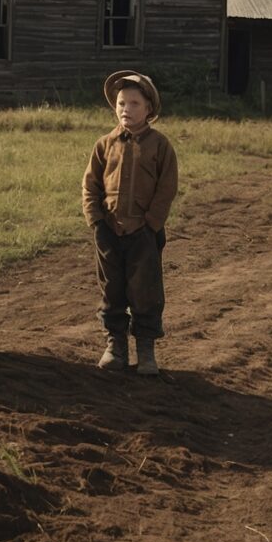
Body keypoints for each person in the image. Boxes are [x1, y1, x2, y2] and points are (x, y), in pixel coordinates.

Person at [81, 70, 178, 377]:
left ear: (149, 108)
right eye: (121, 103)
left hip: (143, 234)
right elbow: (90, 185)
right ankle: (115, 346)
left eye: (134, 103)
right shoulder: (104, 144)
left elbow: (167, 188)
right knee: (112, 290)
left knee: (145, 290)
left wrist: (151, 224)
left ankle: (146, 350)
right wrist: (96, 221)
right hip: (109, 231)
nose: (126, 109)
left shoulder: (160, 146)